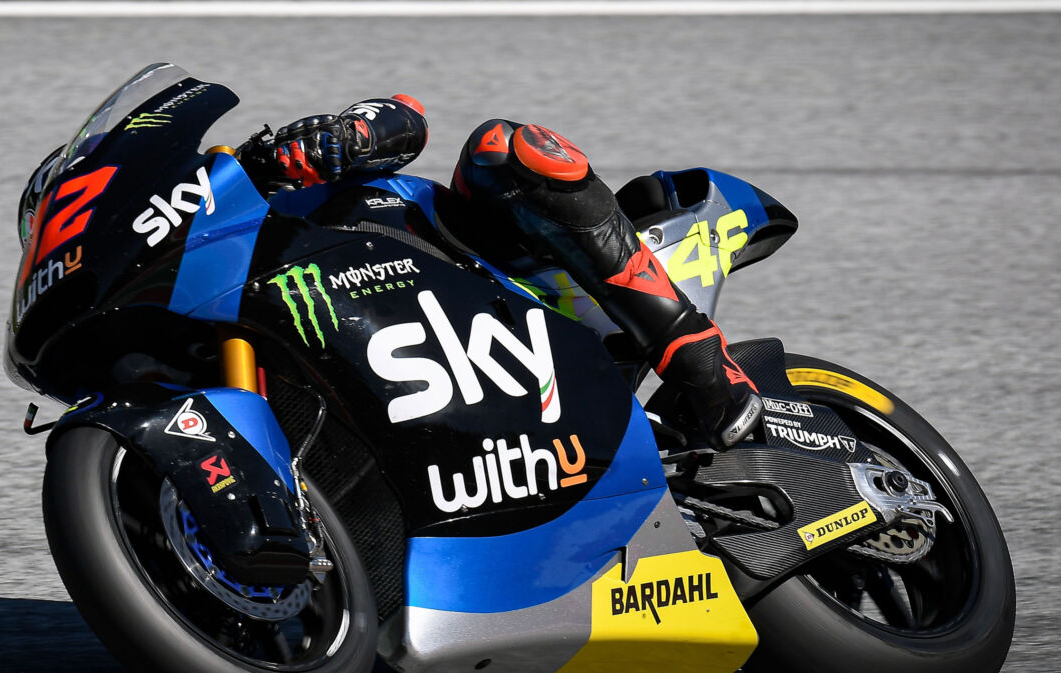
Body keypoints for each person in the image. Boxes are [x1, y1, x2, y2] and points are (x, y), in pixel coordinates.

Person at [268, 95, 762, 451]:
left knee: (502, 147)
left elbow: (406, 114)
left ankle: (702, 362)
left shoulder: (255, 182)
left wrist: (350, 136)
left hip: (481, 274)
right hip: (416, 404)